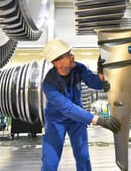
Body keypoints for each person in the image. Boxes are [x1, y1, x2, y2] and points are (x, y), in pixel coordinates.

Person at [41, 39, 121, 171]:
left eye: (70, 52)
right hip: (56, 122)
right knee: (50, 161)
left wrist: (101, 73)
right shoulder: (49, 84)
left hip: (77, 120)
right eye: (67, 55)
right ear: (57, 63)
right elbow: (67, 108)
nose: (72, 56)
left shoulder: (78, 68)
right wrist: (99, 120)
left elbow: (94, 82)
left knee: (83, 157)